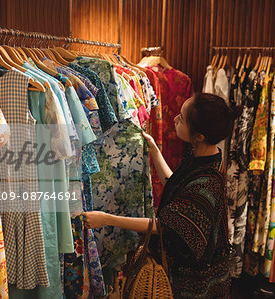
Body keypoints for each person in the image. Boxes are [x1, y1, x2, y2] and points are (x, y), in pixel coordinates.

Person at [83, 93, 242, 298]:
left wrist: (106, 219)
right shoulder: (204, 158)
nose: (175, 119)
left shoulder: (207, 183)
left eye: (182, 118)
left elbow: (165, 226)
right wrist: (155, 152)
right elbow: (177, 186)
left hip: (194, 286)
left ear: (199, 136)